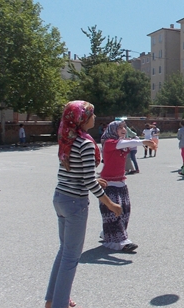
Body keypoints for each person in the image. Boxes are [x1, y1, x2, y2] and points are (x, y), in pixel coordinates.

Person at [46, 101, 122, 308]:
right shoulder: (87, 144)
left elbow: (74, 174)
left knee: (64, 251)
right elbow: (88, 181)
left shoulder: (67, 141)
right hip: (74, 203)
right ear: (82, 119)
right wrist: (110, 204)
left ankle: (52, 299)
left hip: (60, 197)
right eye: (92, 114)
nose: (95, 118)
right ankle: (59, 304)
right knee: (71, 257)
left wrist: (93, 180)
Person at [99, 121, 154, 252]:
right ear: (113, 130)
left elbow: (128, 142)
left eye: (125, 127)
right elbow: (126, 143)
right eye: (120, 127)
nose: (124, 129)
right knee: (113, 212)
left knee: (125, 211)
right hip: (108, 183)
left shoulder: (122, 142)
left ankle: (108, 234)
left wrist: (139, 139)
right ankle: (121, 242)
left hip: (121, 182)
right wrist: (143, 142)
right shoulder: (109, 143)